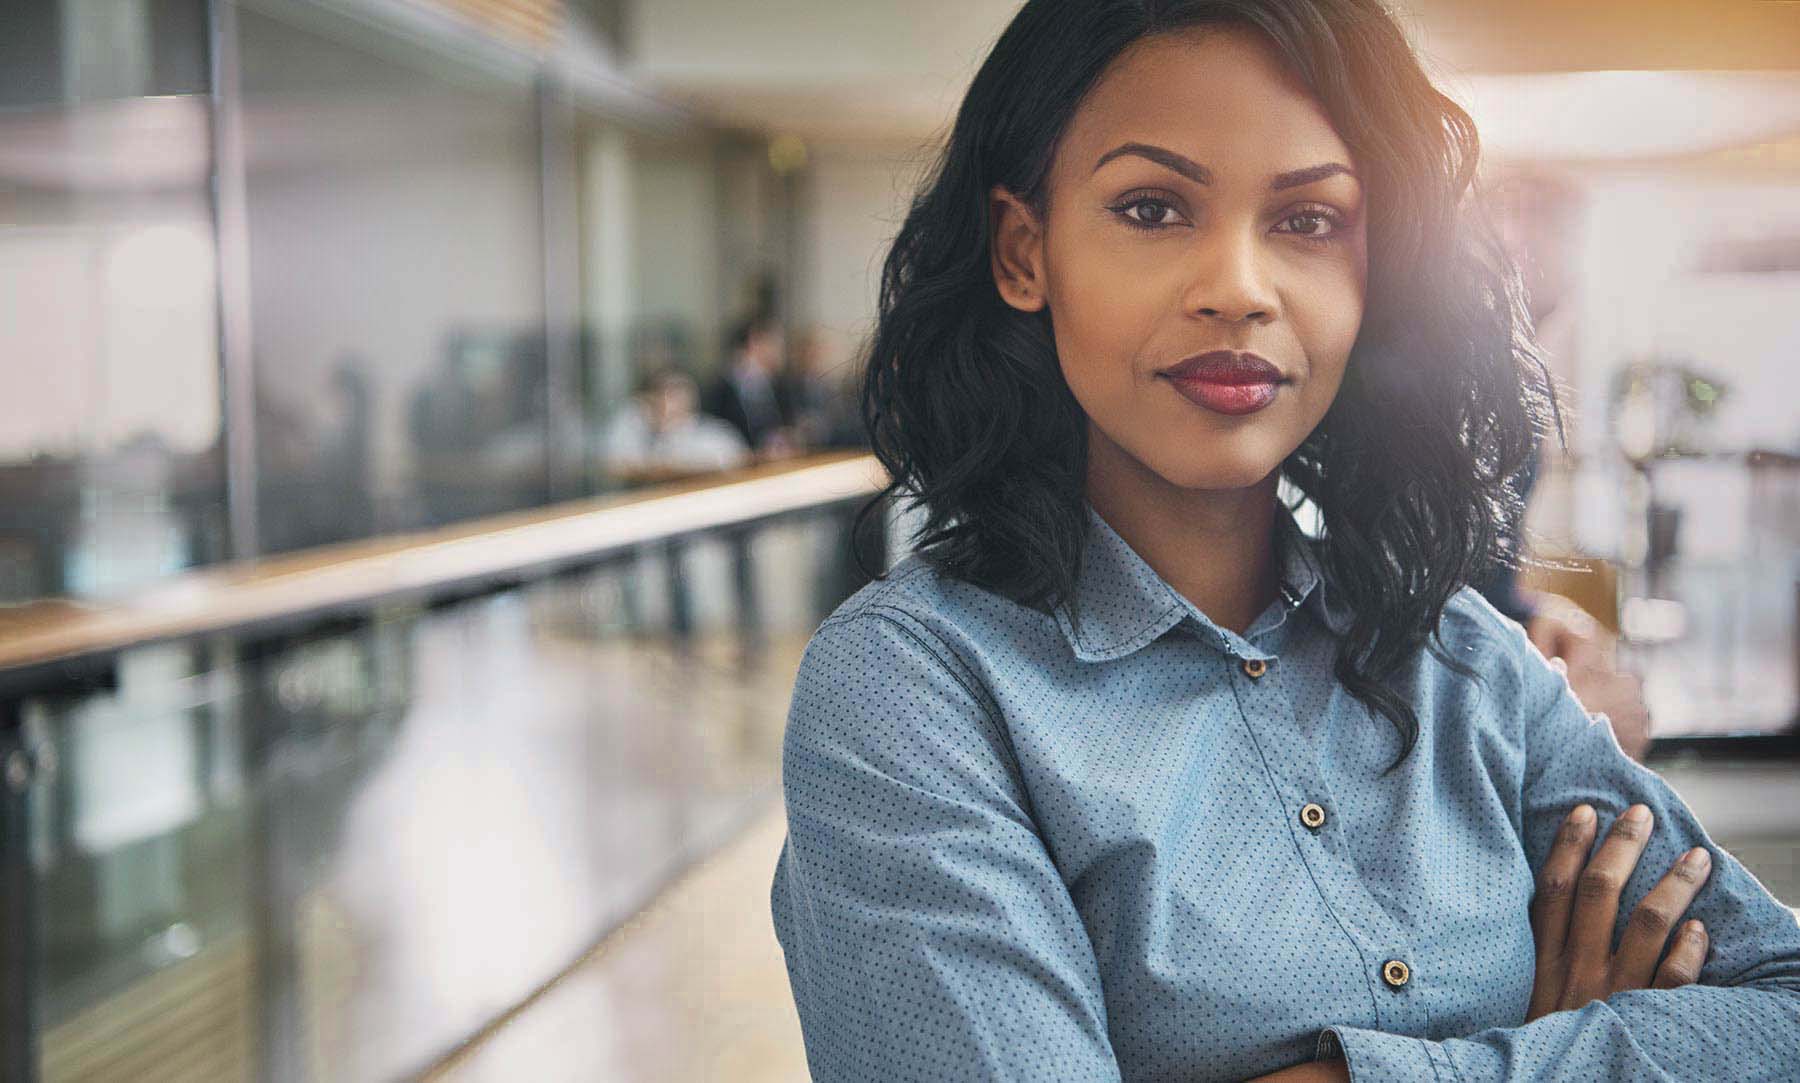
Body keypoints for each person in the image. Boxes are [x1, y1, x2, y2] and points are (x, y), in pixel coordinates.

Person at [769, 3, 1800, 1082]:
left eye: (1308, 222)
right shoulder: (911, 693)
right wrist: (1564, 1056)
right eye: (1153, 207)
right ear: (1026, 253)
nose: (1239, 291)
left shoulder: (1457, 658)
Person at [703, 313, 796, 457]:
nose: (780, 350)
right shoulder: (720, 388)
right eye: (774, 342)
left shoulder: (778, 384)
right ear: (755, 341)